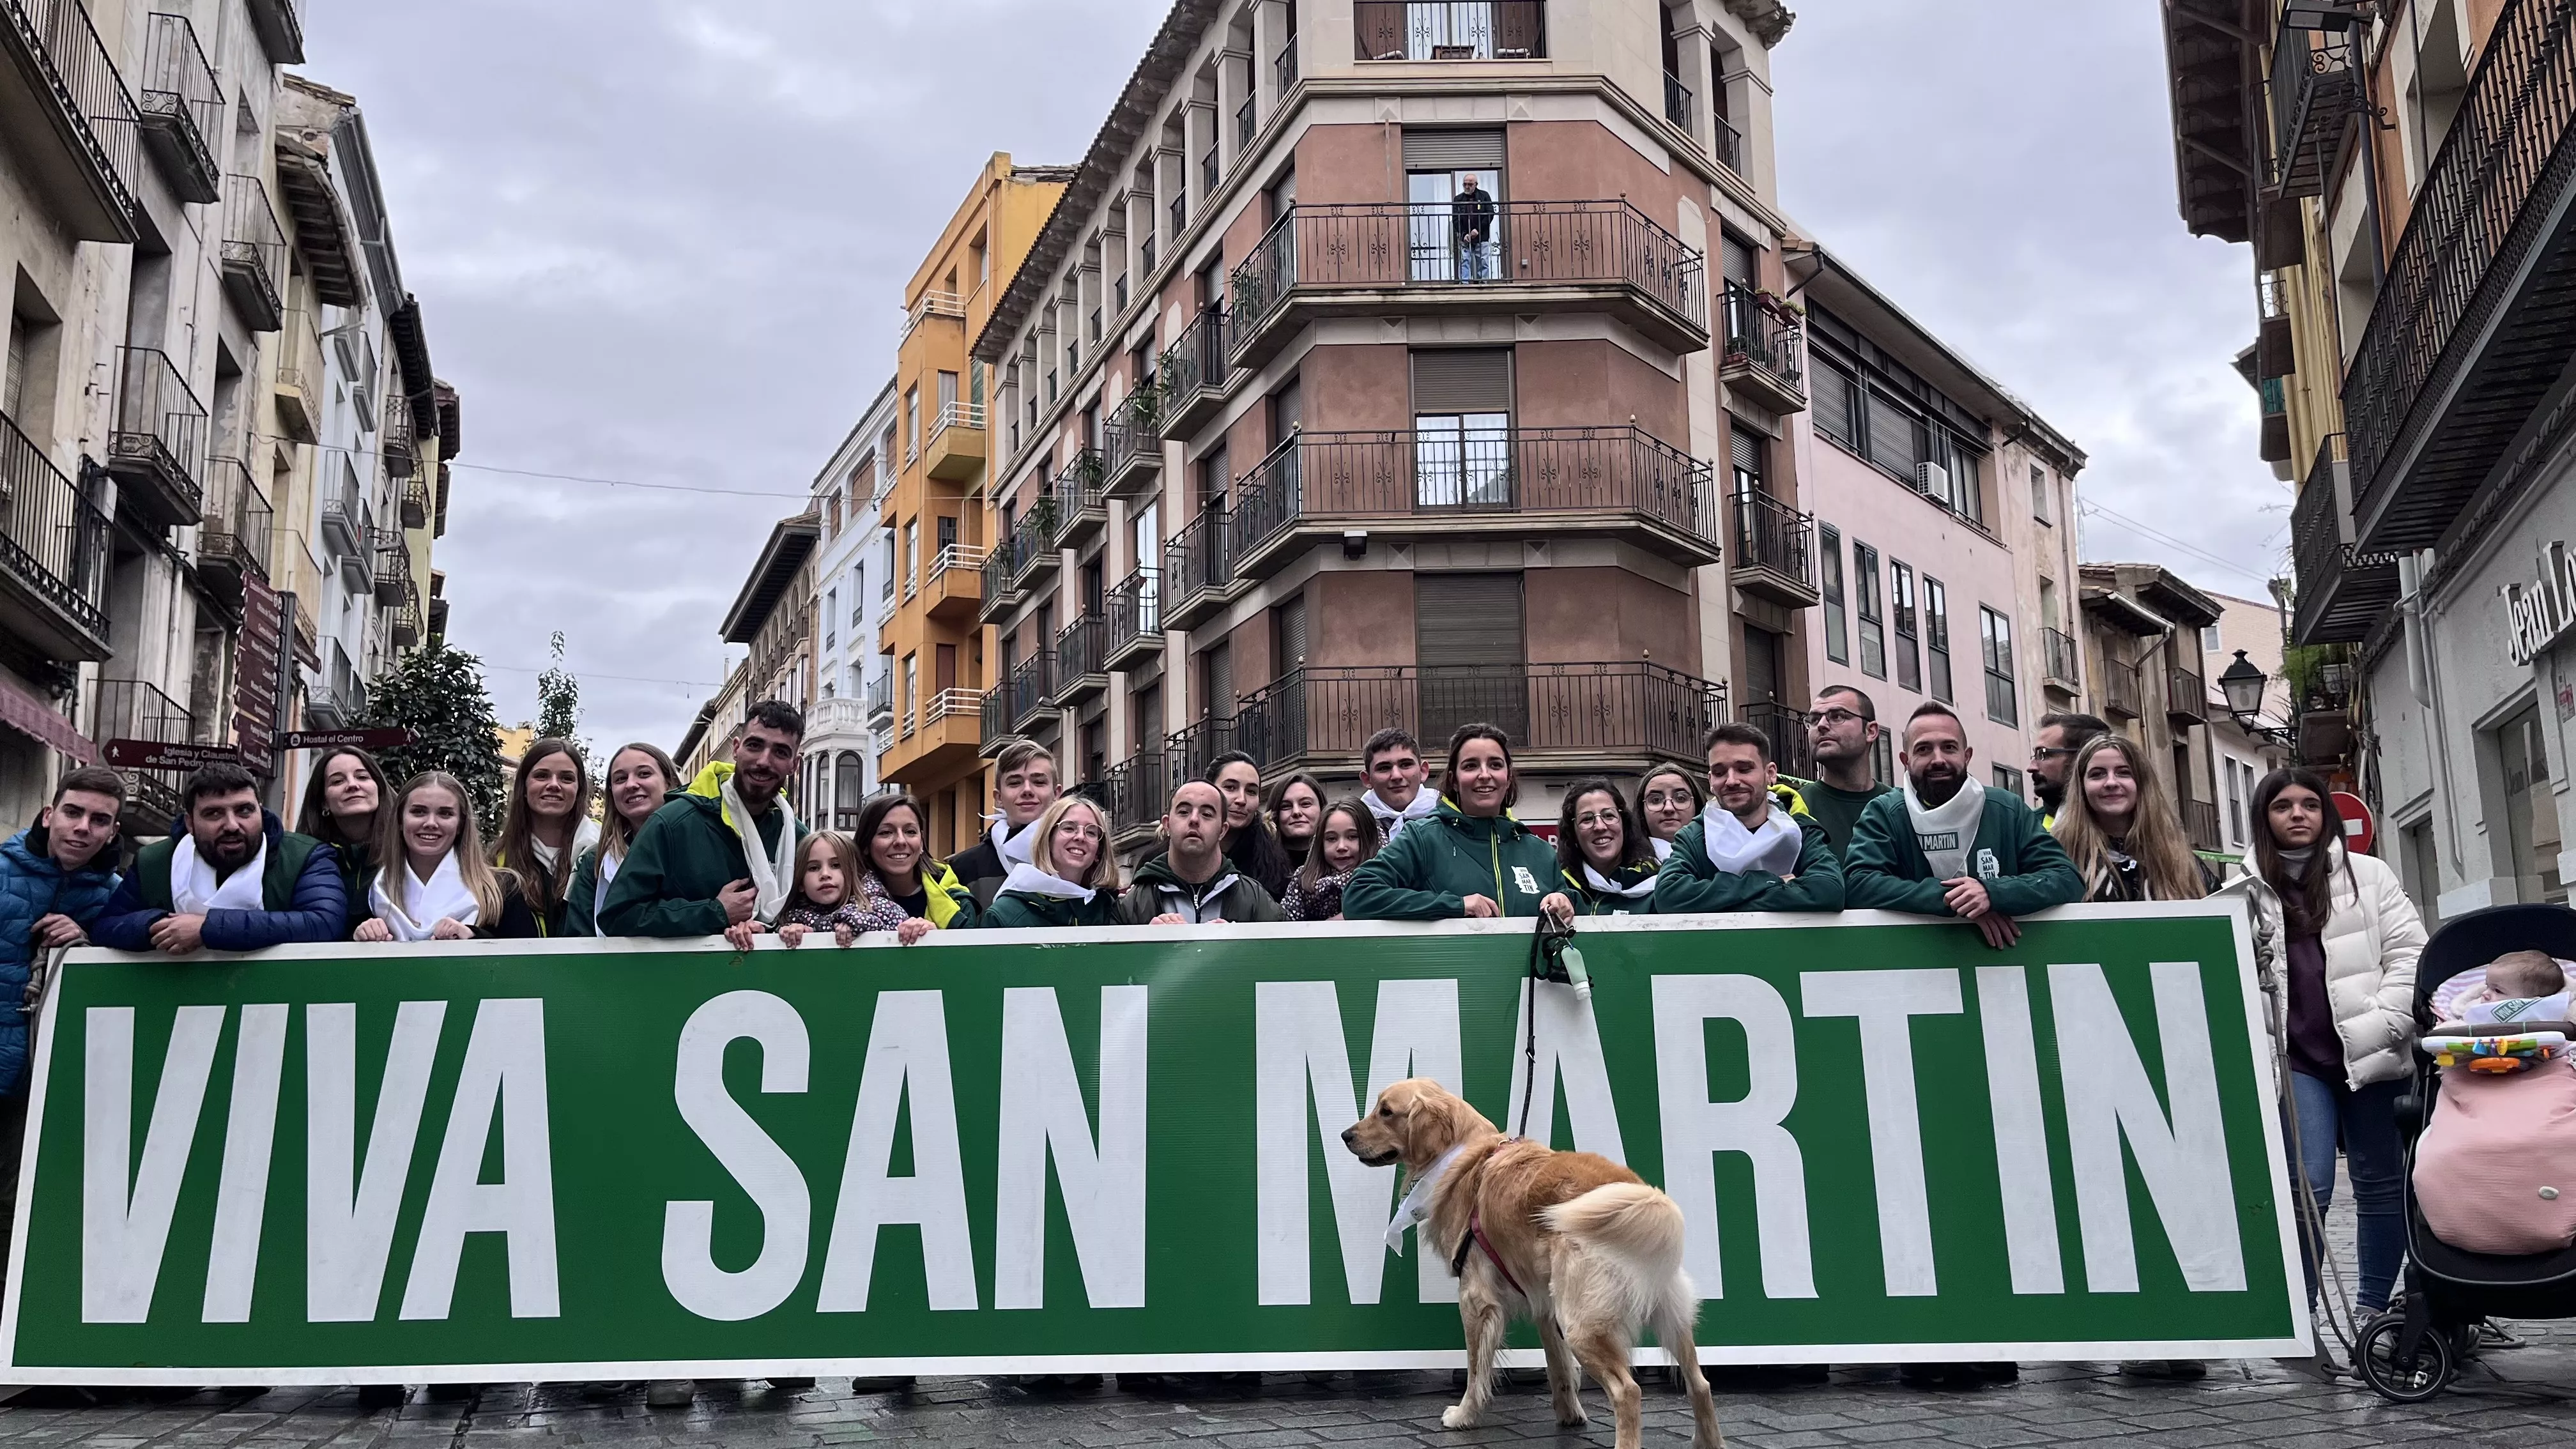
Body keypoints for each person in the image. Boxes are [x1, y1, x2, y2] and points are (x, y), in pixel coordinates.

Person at [2235, 768, 2423, 1326]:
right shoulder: (2241, 891)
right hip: (2295, 1060)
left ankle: (2372, 1312)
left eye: (2310, 804)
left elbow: (2410, 955)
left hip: (2375, 1050)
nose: (2298, 814)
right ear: (2264, 817)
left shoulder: (2371, 875)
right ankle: (2302, 1316)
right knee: (2307, 1186)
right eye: (2283, 806)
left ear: (2327, 814)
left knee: (2381, 1184)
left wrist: (2387, 1023)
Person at [0, 767, 125, 1262]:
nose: (83, 828)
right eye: (73, 813)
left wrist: (87, 940)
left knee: (16, 1202)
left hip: (43, 1080)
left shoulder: (117, 897)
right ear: (49, 814)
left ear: (113, 832)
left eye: (99, 820)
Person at [1844, 703, 2081, 952]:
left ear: (1967, 756)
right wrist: (1957, 901)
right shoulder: (1885, 813)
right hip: (1911, 959)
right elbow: (1859, 884)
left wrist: (1992, 894)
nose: (1938, 760)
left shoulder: (2006, 809)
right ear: (1906, 760)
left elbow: (2067, 878)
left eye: (1949, 747)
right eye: (1924, 749)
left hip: (2003, 961)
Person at [599, 702, 807, 945]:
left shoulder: (797, 837)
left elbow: (831, 909)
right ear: (736, 748)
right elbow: (617, 915)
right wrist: (715, 912)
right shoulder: (672, 823)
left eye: (780, 752)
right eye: (754, 745)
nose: (764, 761)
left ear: (794, 765)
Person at [94, 762, 347, 953]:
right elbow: (106, 928)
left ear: (261, 812)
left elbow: (325, 922)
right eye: (214, 813)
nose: (232, 825)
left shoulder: (307, 857)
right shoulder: (154, 861)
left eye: (244, 810)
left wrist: (207, 928)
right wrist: (160, 924)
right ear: (190, 823)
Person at [1344, 723, 1574, 924]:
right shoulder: (1423, 838)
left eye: (1495, 765)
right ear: (1453, 780)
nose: (1484, 775)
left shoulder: (1539, 851)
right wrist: (1456, 905)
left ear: (1508, 777)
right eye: (1470, 766)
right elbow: (1358, 895)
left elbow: (1580, 910)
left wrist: (1564, 901)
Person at [1655, 724, 1844, 913]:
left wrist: (1718, 902)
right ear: (1711, 780)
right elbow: (1669, 895)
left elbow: (1829, 890)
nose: (1731, 781)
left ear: (1770, 774)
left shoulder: (1801, 830)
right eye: (1720, 773)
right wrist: (1771, 882)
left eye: (1744, 769)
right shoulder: (1693, 836)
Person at [354, 772, 540, 940]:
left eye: (445, 814)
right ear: (400, 821)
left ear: (460, 825)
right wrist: (359, 938)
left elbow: (526, 961)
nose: (431, 823)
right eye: (419, 812)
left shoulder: (502, 890)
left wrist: (475, 938)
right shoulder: (373, 891)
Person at [2052, 734, 2217, 902]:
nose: (2111, 782)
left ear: (2142, 783)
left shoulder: (2184, 863)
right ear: (2082, 787)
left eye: (2124, 773)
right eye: (2097, 774)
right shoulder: (2057, 858)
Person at [1117, 781, 1286, 924]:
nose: (1194, 820)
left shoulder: (1255, 899)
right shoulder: (1133, 904)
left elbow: (1284, 950)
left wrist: (1238, 946)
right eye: (1184, 812)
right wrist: (1146, 944)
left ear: (1222, 830)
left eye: (1207, 814)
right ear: (1167, 824)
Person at [564, 742, 680, 936]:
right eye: (620, 779)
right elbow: (578, 939)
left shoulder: (702, 846)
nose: (631, 785)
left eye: (644, 774)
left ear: (669, 782)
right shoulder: (594, 861)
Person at [491, 738, 599, 936]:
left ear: (579, 790)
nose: (554, 785)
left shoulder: (605, 849)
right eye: (542, 776)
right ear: (524, 787)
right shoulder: (497, 864)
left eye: (566, 778)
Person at [844, 792, 977, 942]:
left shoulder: (958, 903)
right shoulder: (841, 901)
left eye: (910, 832)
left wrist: (936, 940)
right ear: (866, 845)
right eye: (886, 832)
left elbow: (970, 954)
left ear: (921, 842)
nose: (901, 841)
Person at [947, 740, 1061, 909]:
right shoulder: (964, 868)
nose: (1027, 790)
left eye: (1038, 782)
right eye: (1015, 783)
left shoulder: (1080, 858)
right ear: (998, 797)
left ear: (1057, 794)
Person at [981, 795, 1123, 928]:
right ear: (1048, 840)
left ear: (1098, 851)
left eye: (1091, 832)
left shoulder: (1109, 910)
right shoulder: (1004, 914)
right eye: (1069, 828)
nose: (1081, 837)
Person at [295, 746, 385, 934]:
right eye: (338, 781)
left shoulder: (408, 850)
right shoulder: (304, 858)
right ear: (323, 802)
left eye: (362, 777)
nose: (353, 785)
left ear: (379, 788)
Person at [1799, 686, 1892, 859]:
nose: (1821, 725)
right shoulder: (1794, 810)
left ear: (1870, 731)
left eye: (1837, 716)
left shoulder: (1899, 809)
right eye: (1814, 720)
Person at [1555, 778, 1660, 915]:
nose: (1600, 827)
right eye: (1587, 819)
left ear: (1624, 824)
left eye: (1608, 815)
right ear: (1573, 833)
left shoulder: (1659, 884)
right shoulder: (1557, 887)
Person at [1207, 751, 1294, 901]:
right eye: (1230, 787)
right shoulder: (1173, 853)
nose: (1242, 800)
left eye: (1251, 791)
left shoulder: (1275, 867)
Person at [1283, 799, 1381, 922]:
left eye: (1353, 837)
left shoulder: (1385, 878)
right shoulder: (1302, 880)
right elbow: (1283, 925)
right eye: (1332, 839)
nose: (1341, 847)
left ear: (1369, 840)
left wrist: (1353, 915)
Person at [772, 832, 873, 947]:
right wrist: (792, 932)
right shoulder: (791, 918)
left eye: (836, 865)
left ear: (854, 873)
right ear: (800, 883)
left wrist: (859, 923)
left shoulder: (873, 906)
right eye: (814, 868)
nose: (825, 874)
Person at [2030, 711, 2110, 827]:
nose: (2031, 767)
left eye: (2043, 754)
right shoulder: (2024, 828)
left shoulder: (2130, 826)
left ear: (2082, 757)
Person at [1360, 726, 1438, 842]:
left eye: (1405, 765)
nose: (1396, 776)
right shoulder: (1355, 825)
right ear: (1367, 779)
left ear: (1423, 771)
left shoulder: (1450, 817)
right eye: (1384, 768)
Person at [1631, 763, 1704, 862]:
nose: (1668, 808)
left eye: (1681, 798)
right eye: (1656, 800)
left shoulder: (1718, 856)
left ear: (1697, 805)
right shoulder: (1628, 868)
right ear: (1642, 810)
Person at [1268, 772, 1325, 870]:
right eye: (1286, 806)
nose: (1296, 812)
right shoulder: (1256, 864)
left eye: (1305, 804)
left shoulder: (1343, 860)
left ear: (1322, 808)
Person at [1452, 173, 1496, 282]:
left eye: (1470, 184)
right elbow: (1455, 219)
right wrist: (1464, 234)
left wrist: (1478, 230)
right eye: (1465, 184)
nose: (1467, 187)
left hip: (1482, 236)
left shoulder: (1484, 196)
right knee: (1464, 260)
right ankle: (1464, 284)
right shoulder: (1458, 199)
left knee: (1483, 261)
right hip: (1465, 237)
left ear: (1476, 184)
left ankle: (1483, 283)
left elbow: (1490, 214)